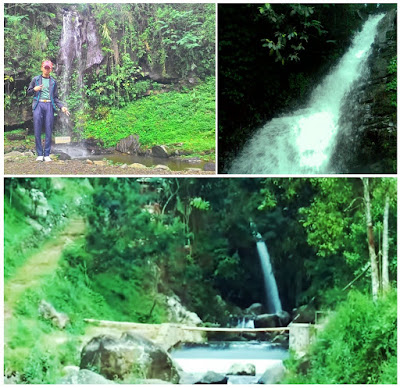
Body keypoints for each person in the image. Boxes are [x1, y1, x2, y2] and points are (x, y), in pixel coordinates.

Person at [27, 60, 70, 162]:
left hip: (49, 105)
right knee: (37, 128)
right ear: (42, 68)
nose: (47, 70)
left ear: (51, 69)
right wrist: (35, 89)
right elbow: (28, 92)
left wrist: (61, 107)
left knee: (48, 129)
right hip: (38, 105)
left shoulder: (53, 82)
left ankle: (46, 154)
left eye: (48, 68)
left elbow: (55, 98)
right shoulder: (35, 79)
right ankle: (39, 154)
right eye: (45, 67)